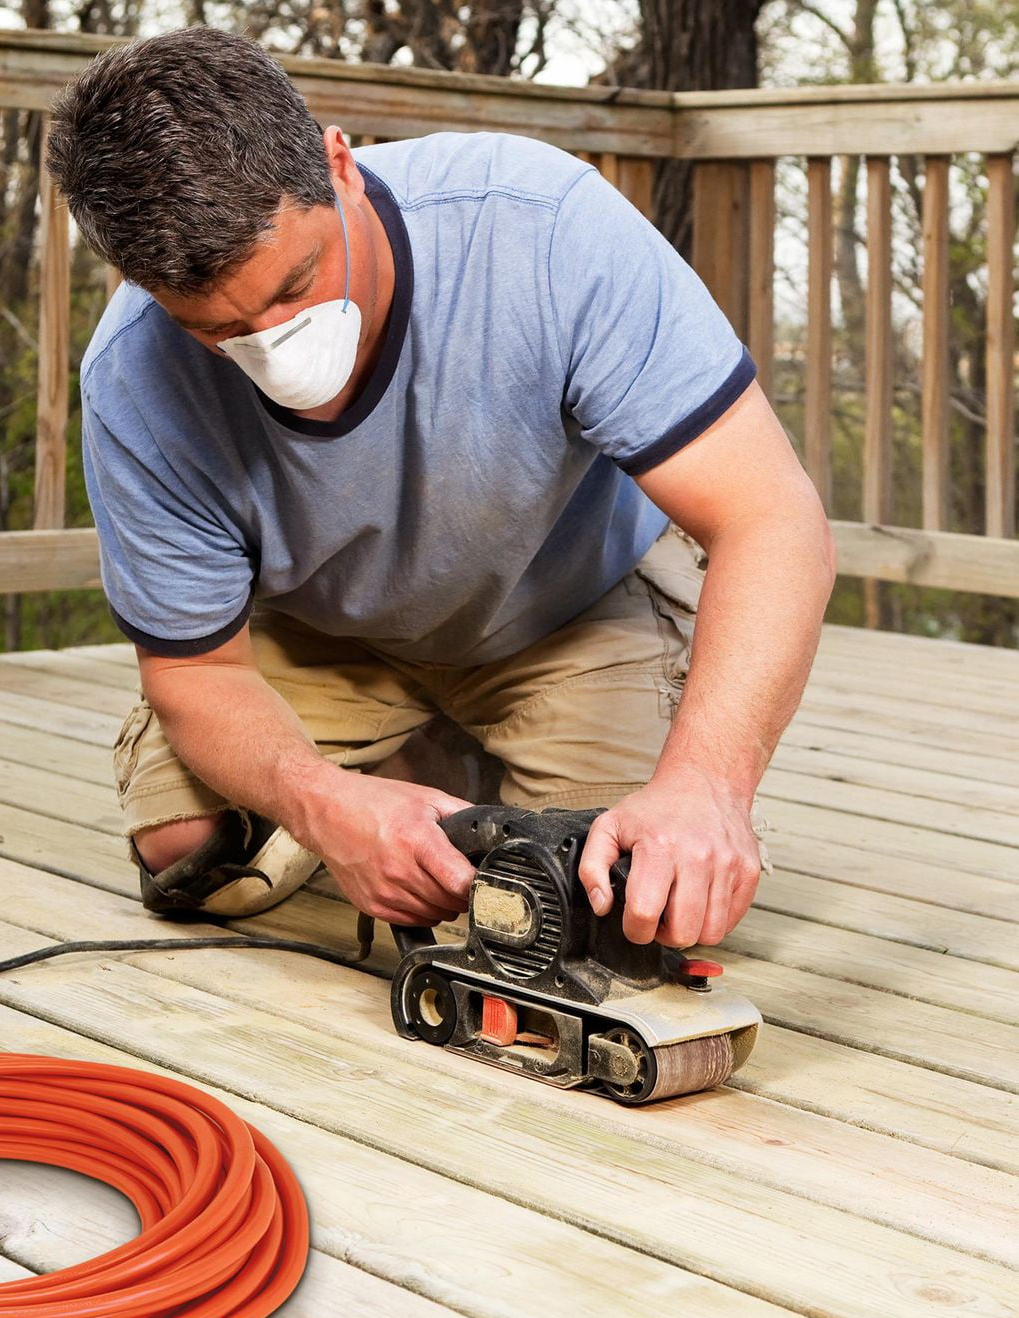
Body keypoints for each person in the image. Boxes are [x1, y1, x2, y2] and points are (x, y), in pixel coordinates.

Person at [46, 27, 835, 950]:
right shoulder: (133, 376)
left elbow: (772, 518)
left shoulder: (543, 229)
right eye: (216, 329)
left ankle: (458, 767)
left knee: (626, 904)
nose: (274, 344)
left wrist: (706, 785)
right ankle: (414, 767)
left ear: (339, 165)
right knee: (190, 852)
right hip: (328, 632)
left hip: (568, 609)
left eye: (298, 282)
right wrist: (325, 803)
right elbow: (194, 671)